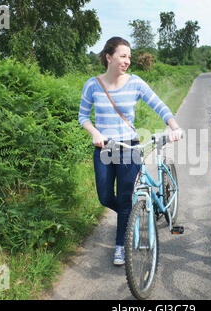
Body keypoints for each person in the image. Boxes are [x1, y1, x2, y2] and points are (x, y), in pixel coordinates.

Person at [78, 37, 182, 265]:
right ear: (109, 57)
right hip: (105, 148)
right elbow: (83, 117)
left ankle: (120, 245)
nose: (127, 61)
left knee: (125, 199)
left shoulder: (135, 83)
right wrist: (94, 132)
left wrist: (174, 126)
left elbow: (159, 105)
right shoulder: (92, 84)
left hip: (130, 148)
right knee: (105, 197)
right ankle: (134, 213)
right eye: (123, 56)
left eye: (129, 57)